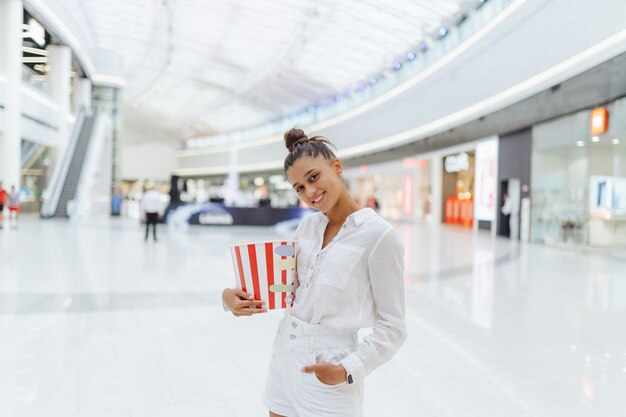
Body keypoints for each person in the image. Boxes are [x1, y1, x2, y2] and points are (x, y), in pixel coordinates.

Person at [222, 128, 407, 417]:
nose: (310, 192)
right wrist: (231, 297)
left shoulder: (379, 236)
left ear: (336, 166)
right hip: (285, 354)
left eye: (313, 177)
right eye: (299, 187)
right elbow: (282, 288)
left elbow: (394, 327)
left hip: (330, 368)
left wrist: (348, 369)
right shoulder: (307, 229)